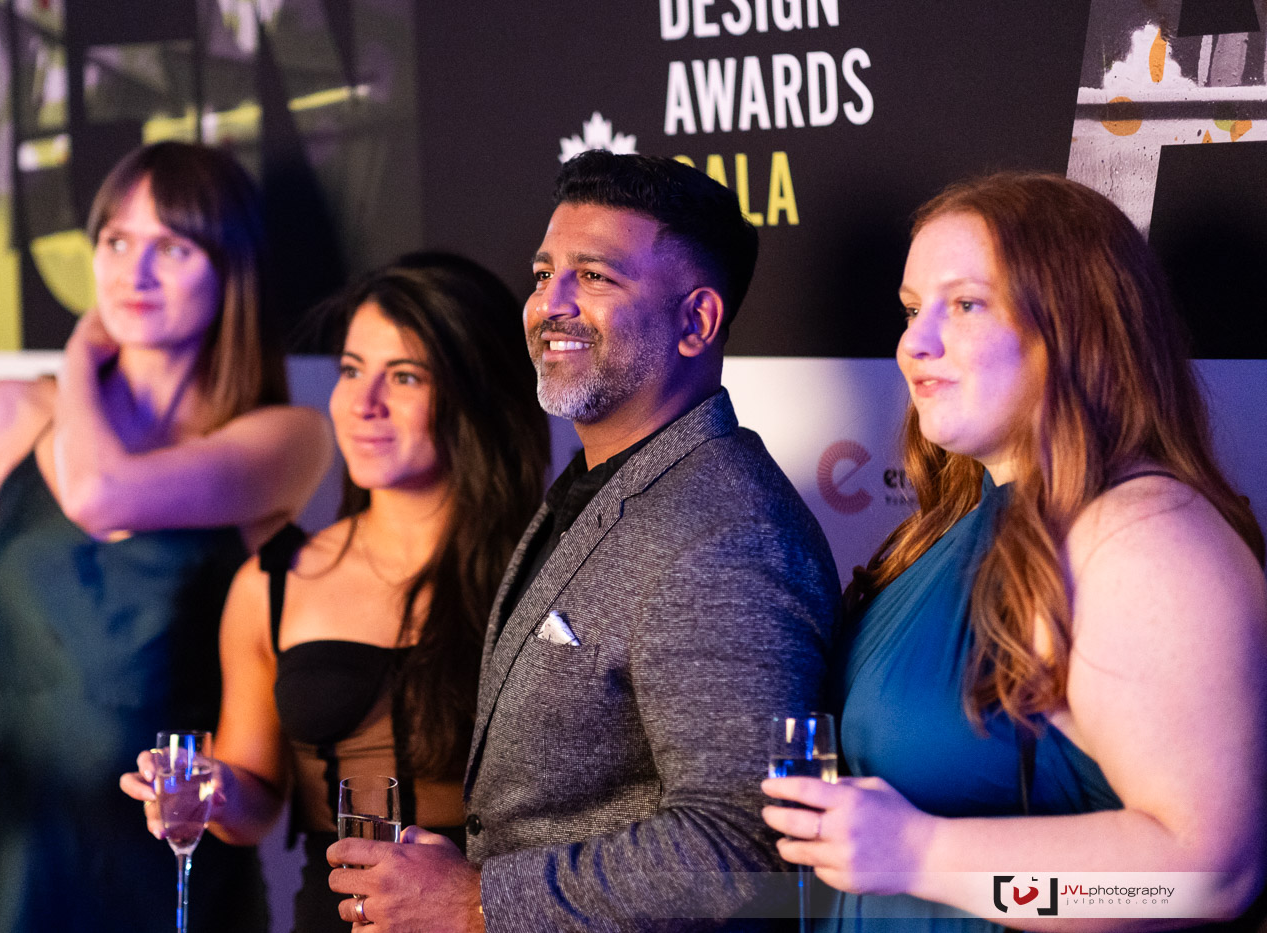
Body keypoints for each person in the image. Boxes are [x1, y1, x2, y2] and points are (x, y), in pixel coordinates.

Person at [326, 151, 841, 932]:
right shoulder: (598, 482)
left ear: (697, 321)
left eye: (594, 276)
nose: (549, 304)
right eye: (544, 274)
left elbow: (741, 847)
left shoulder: (726, 533)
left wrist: (475, 899)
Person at [762, 172, 1267, 931]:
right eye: (912, 309)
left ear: (1078, 324)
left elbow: (1206, 878)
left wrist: (924, 854)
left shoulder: (1144, 536)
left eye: (966, 304)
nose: (914, 343)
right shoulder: (957, 524)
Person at [0, 141, 334, 933]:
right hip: (5, 843)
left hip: (162, 867)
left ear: (232, 271)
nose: (133, 272)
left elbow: (95, 493)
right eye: (116, 241)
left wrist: (82, 355)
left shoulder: (284, 439)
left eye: (172, 247)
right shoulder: (1, 416)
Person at [120, 251, 550, 933]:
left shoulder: (553, 572)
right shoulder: (273, 581)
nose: (363, 403)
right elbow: (255, 801)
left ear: (476, 393)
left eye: (404, 376)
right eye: (351, 370)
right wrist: (213, 793)